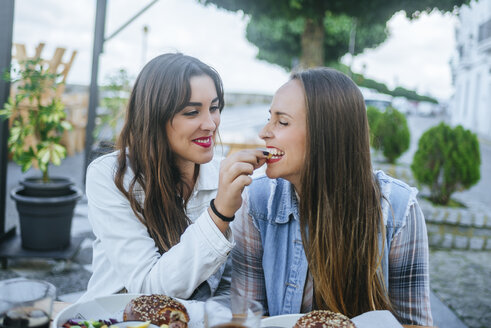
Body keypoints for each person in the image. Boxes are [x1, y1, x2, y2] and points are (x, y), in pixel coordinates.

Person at [231, 67, 433, 327]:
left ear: (325, 134)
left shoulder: (398, 206)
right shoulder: (257, 201)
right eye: (270, 118)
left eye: (282, 122)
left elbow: (417, 323)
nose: (264, 132)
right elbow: (246, 318)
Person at [79, 53, 265, 302]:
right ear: (154, 117)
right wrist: (219, 214)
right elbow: (148, 291)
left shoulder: (225, 177)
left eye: (214, 108)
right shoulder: (112, 176)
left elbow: (231, 287)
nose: (210, 124)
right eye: (192, 112)